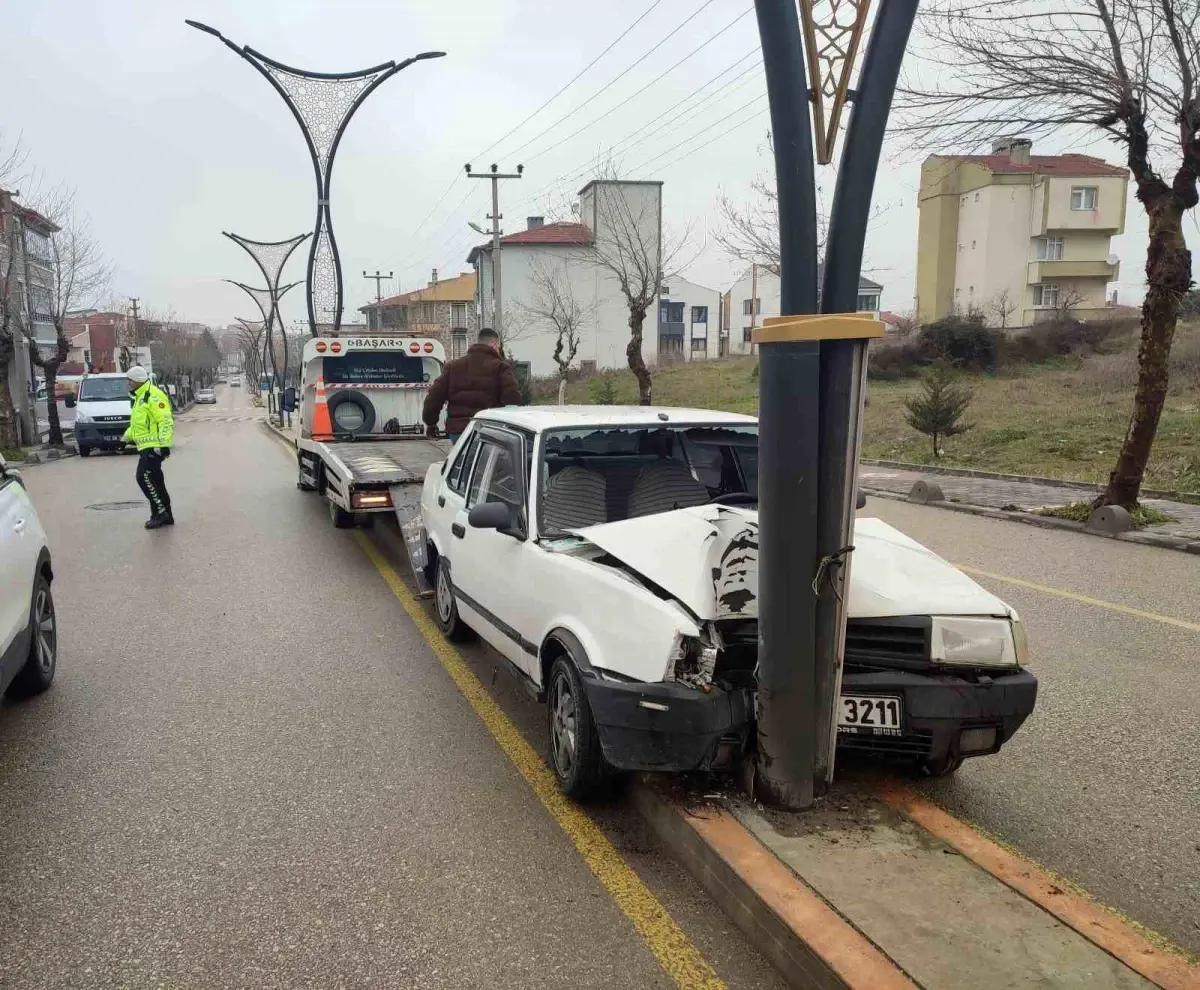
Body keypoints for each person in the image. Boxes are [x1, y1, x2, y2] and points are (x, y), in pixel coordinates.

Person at [422, 328, 521, 444]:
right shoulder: (500, 368)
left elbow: (434, 397)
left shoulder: (453, 367)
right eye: (498, 347)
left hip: (459, 430)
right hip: (490, 429)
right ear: (494, 344)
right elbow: (512, 399)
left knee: (463, 460)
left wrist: (431, 422)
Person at [121, 366, 175, 529]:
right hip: (145, 446)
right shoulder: (139, 397)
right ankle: (166, 514)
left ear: (136, 380)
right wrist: (126, 438)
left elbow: (165, 421)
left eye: (129, 380)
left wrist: (164, 445)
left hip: (154, 447)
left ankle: (160, 513)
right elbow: (139, 424)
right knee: (156, 481)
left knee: (143, 478)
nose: (128, 383)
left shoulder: (153, 395)